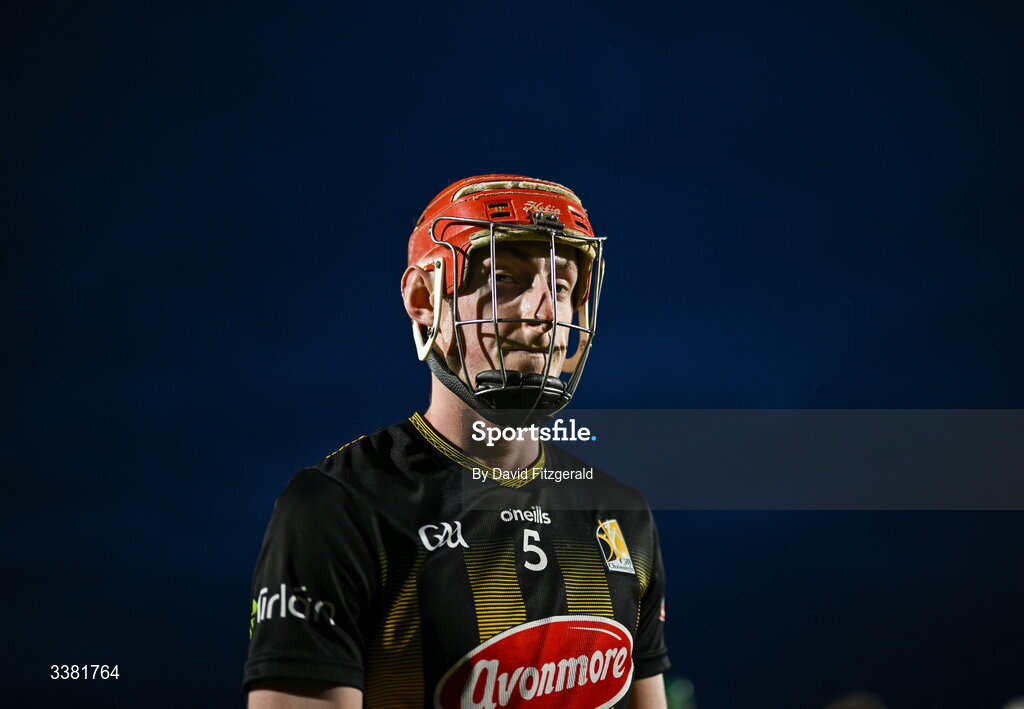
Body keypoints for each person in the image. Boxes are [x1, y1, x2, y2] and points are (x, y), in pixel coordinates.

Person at [243, 174, 670, 708]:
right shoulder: (338, 507)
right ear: (425, 299)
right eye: (505, 280)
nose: (546, 312)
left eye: (560, 285)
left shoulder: (621, 512)